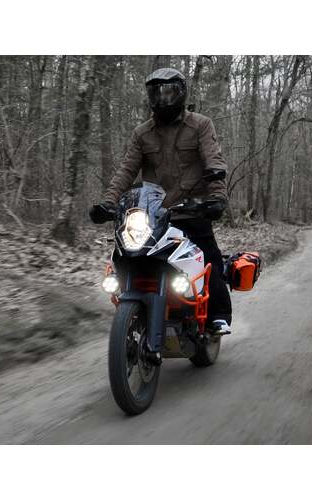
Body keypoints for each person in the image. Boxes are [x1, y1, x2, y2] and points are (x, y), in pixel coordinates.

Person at [90, 67, 232, 335]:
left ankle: (218, 315)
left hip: (191, 210)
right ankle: (133, 308)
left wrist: (217, 198)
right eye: (156, 92)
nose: (162, 98)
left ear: (181, 92)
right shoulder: (142, 133)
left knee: (208, 257)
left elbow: (214, 161)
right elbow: (126, 171)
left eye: (169, 91)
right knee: (128, 254)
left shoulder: (200, 125)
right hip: (153, 214)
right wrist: (109, 203)